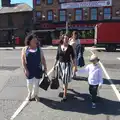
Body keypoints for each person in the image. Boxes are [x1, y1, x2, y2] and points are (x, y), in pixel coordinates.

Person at [21, 34, 47, 102]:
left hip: (38, 70)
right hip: (29, 70)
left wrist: (45, 67)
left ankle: (35, 95)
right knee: (29, 84)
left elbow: (43, 59)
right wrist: (26, 70)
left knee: (36, 85)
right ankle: (29, 93)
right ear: (29, 41)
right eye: (34, 40)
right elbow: (23, 60)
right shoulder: (25, 49)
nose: (36, 41)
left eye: (36, 40)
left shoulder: (39, 49)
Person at [55, 34, 77, 102]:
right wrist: (54, 65)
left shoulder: (70, 47)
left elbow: (73, 57)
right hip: (60, 65)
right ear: (63, 39)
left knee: (66, 77)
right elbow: (57, 57)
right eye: (65, 38)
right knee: (62, 78)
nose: (67, 39)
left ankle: (65, 95)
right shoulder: (59, 47)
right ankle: (64, 87)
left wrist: (74, 66)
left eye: (68, 38)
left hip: (67, 65)